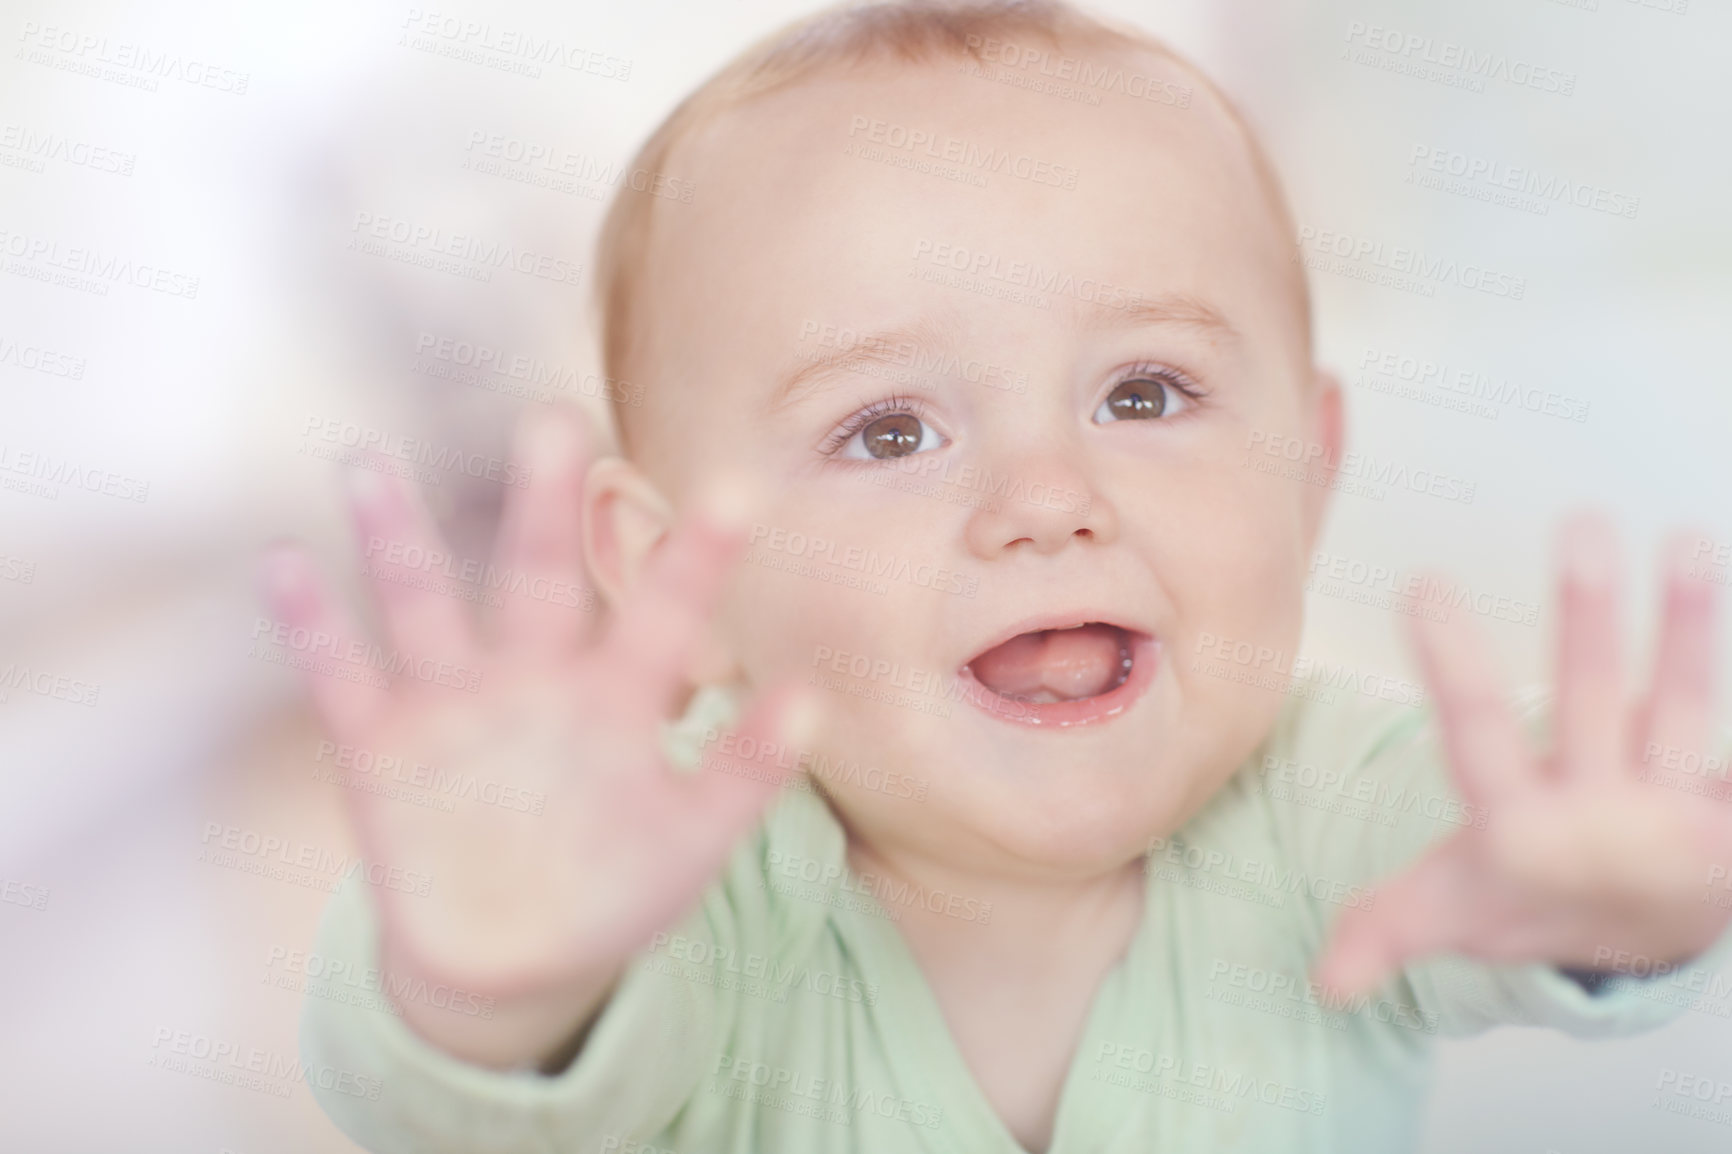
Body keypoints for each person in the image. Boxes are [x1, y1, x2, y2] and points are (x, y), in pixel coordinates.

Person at [262, 2, 1732, 1150]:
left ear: (1311, 467)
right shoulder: (695, 851)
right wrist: (495, 981)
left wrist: (1614, 880)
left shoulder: (1321, 796)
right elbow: (462, 1087)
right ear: (677, 584)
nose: (1045, 499)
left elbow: (1502, 834)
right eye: (888, 428)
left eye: (1145, 394)